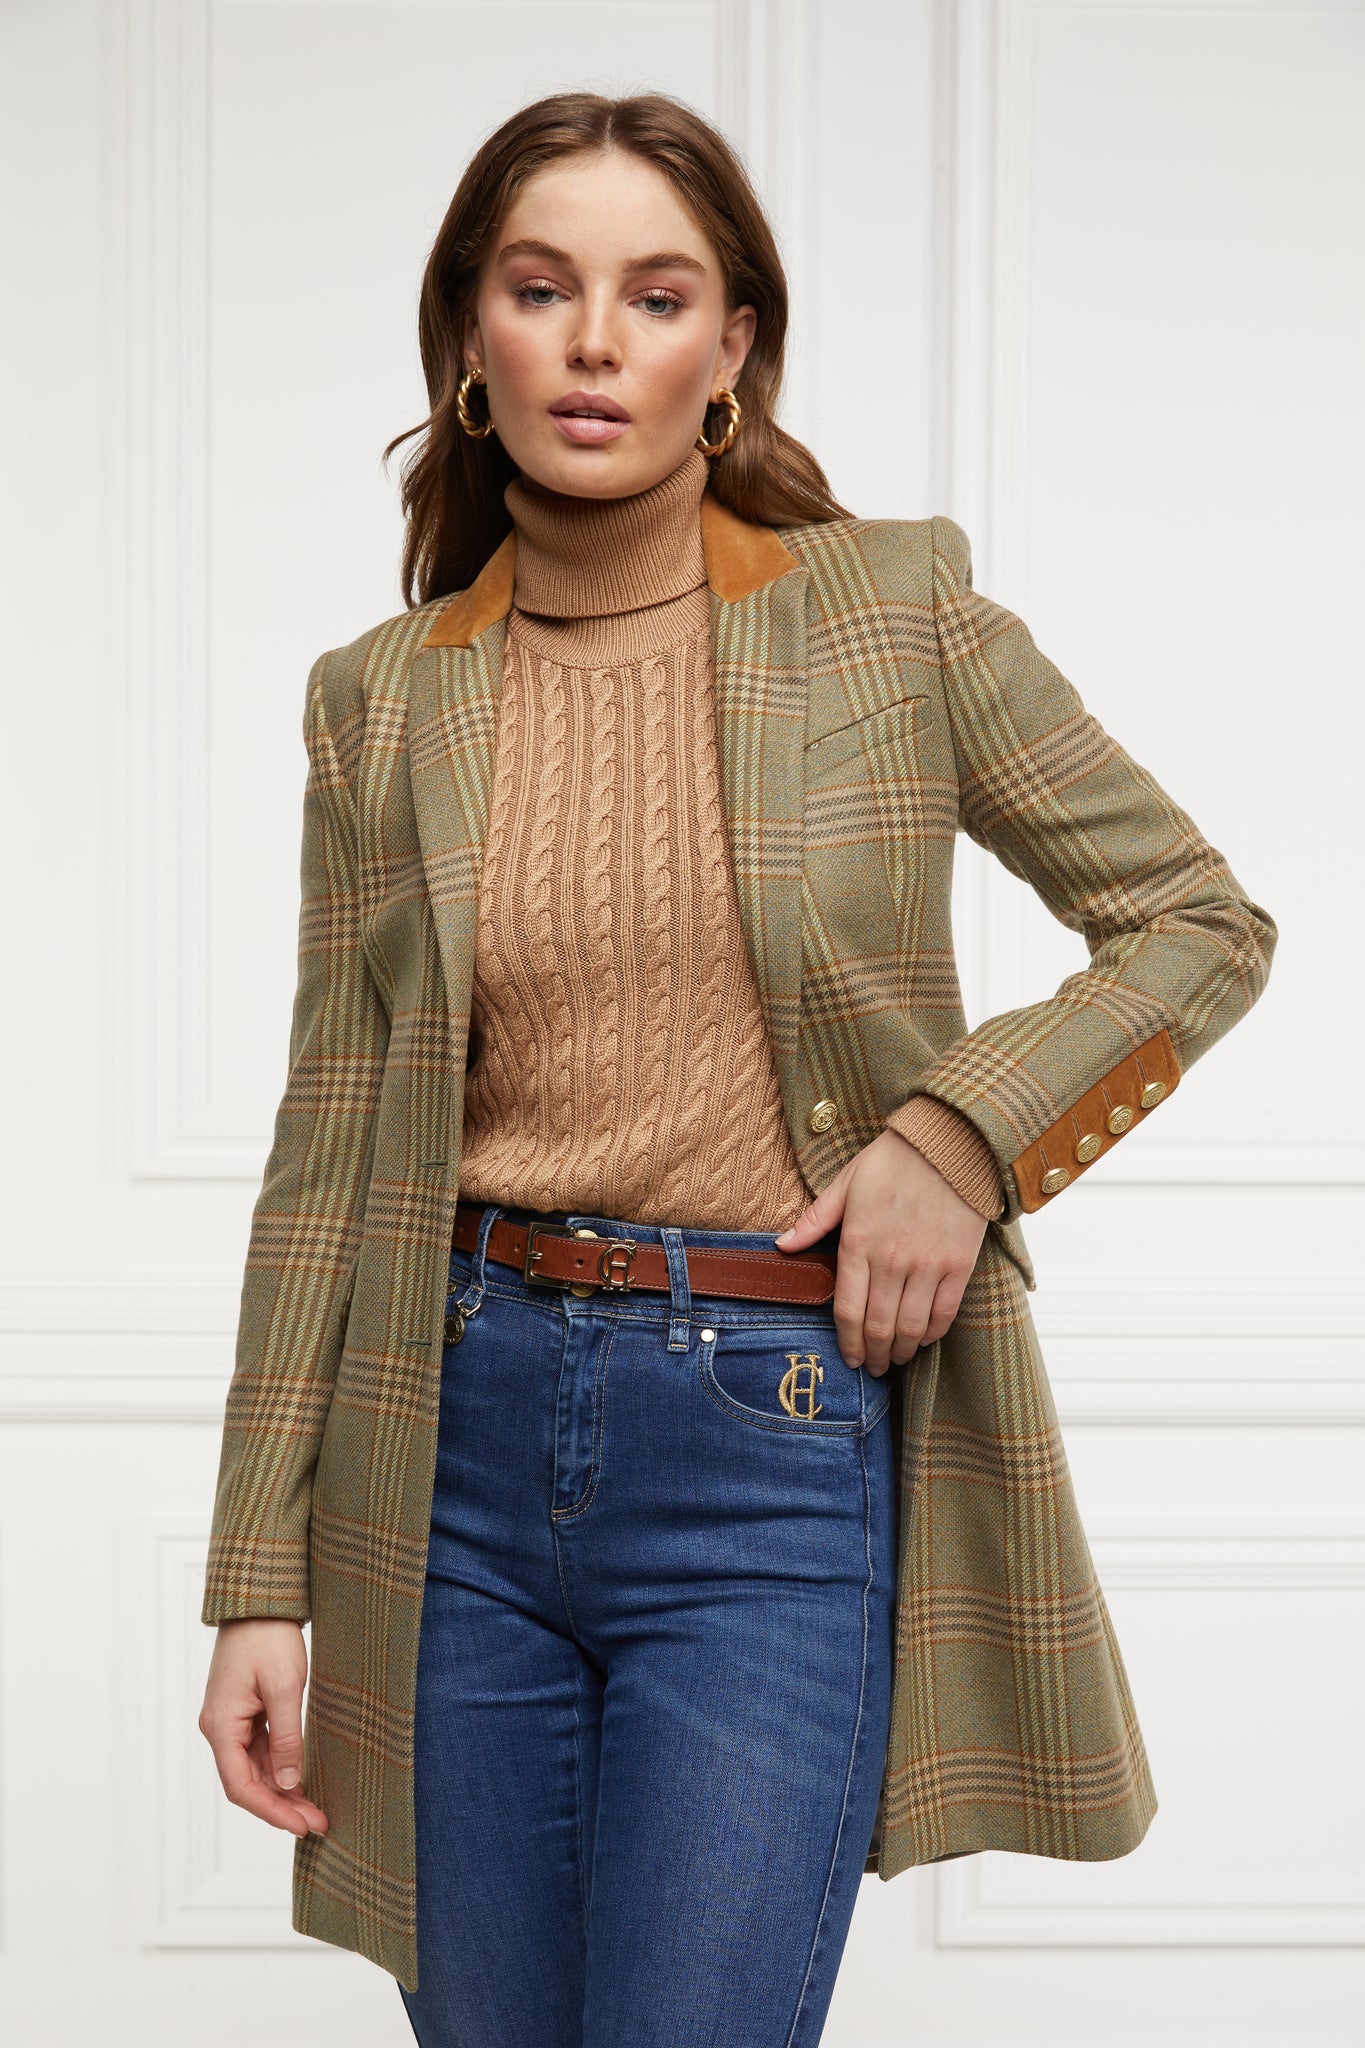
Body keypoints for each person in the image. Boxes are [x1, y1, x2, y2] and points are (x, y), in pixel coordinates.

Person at [196, 91, 1276, 2047]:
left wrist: (960, 1136)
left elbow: (1192, 920)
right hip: (445, 1448)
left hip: (764, 1452)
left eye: (656, 295)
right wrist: (257, 1578)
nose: (594, 342)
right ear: (469, 337)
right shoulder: (382, 701)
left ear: (732, 351)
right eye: (543, 289)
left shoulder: (890, 616)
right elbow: (327, 1149)